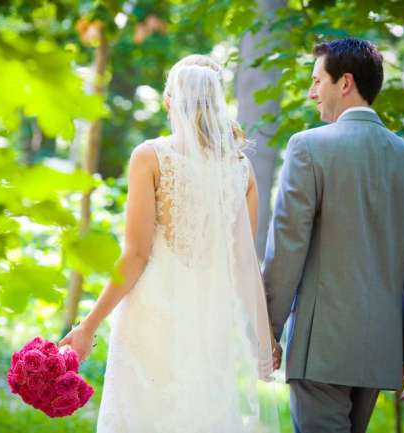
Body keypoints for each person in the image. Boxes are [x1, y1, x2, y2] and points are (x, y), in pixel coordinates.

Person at [59, 54, 280, 433]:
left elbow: (136, 255)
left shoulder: (150, 156)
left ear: (168, 101)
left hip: (151, 318)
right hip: (208, 323)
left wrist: (88, 326)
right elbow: (245, 263)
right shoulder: (241, 169)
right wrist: (264, 340)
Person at [262, 38, 404, 433]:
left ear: (345, 83)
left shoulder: (307, 147)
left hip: (320, 349)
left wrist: (266, 331)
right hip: (378, 350)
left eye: (316, 81)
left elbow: (287, 247)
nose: (311, 93)